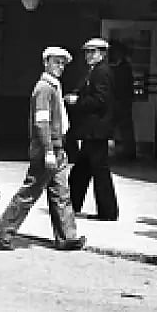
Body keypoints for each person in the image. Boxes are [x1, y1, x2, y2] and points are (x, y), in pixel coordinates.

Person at [0, 47, 86, 251]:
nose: (60, 66)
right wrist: (48, 150)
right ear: (46, 62)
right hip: (47, 148)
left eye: (63, 63)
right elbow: (41, 122)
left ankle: (67, 236)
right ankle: (3, 230)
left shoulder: (53, 86)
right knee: (30, 192)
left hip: (57, 147)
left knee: (61, 193)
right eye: (56, 62)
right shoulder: (44, 88)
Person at [65, 37, 119, 221]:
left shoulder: (102, 72)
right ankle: (71, 203)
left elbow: (100, 100)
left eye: (93, 51)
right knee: (83, 168)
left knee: (99, 170)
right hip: (92, 130)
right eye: (87, 52)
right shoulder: (94, 71)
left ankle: (107, 211)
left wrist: (77, 101)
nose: (89, 55)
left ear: (102, 53)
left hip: (97, 129)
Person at [108, 41, 137, 161]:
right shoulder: (119, 66)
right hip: (118, 101)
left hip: (122, 101)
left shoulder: (124, 67)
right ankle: (122, 151)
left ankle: (129, 153)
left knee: (125, 128)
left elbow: (124, 85)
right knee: (120, 127)